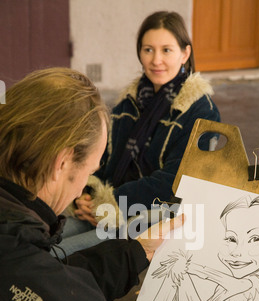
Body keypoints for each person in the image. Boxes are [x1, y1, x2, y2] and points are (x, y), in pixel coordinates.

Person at [0, 68, 248, 301]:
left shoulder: (17, 244)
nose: (86, 183)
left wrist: (135, 251)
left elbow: (41, 281)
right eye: (90, 169)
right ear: (62, 164)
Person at [60, 10, 221, 255]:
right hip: (109, 204)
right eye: (148, 49)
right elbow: (100, 158)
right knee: (48, 236)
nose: (156, 60)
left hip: (158, 213)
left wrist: (110, 205)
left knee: (61, 253)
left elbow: (175, 183)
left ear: (185, 53)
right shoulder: (128, 103)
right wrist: (88, 195)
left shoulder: (201, 112)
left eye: (166, 50)